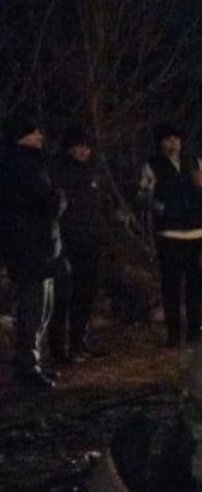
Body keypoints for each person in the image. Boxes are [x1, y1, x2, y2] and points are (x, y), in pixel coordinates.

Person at [137, 122, 202, 346]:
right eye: (168, 138)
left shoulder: (195, 162)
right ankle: (174, 334)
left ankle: (195, 330)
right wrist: (163, 209)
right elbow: (144, 195)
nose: (173, 142)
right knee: (171, 287)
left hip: (197, 232)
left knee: (197, 286)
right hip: (170, 234)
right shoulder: (152, 166)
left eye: (176, 138)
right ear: (161, 142)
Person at [0, 118, 67, 389]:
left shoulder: (19, 164)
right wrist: (59, 197)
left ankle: (31, 362)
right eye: (34, 131)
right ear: (22, 136)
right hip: (32, 249)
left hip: (32, 247)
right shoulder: (25, 166)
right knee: (34, 309)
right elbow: (51, 202)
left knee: (39, 308)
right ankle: (28, 366)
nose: (40, 135)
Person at [48, 126, 107, 364]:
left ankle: (78, 340)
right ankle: (58, 347)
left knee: (85, 293)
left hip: (90, 241)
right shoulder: (58, 171)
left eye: (86, 146)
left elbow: (97, 207)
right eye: (79, 146)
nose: (84, 150)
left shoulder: (91, 172)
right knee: (63, 296)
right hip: (67, 243)